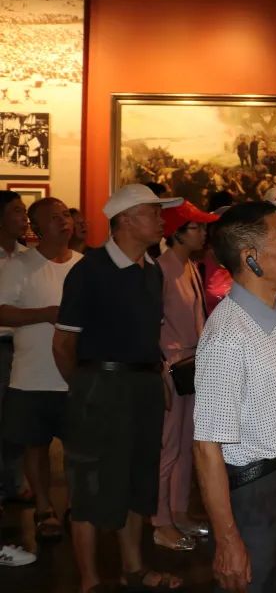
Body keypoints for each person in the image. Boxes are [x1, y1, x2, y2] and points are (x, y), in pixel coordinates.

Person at [53, 183, 185, 593]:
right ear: (125, 219)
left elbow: (147, 336)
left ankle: (134, 568)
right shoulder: (89, 271)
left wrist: (156, 377)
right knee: (90, 483)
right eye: (153, 212)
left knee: (138, 480)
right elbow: (63, 343)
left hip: (142, 386)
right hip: (101, 385)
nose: (161, 220)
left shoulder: (152, 271)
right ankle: (90, 580)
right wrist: (86, 387)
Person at [193, 201, 276, 593]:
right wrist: (227, 540)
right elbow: (207, 447)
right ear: (250, 258)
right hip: (256, 491)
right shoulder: (228, 336)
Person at [0, 198, 81, 542]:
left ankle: (77, 507)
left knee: (78, 448)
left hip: (75, 374)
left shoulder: (83, 265)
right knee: (35, 446)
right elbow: (2, 312)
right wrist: (46, 313)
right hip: (32, 374)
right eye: (53, 218)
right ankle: (44, 508)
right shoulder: (19, 265)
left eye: (65, 215)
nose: (63, 222)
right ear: (36, 228)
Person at [153, 201, 219, 552]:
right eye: (196, 227)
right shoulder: (161, 269)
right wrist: (160, 369)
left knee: (186, 444)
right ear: (176, 232)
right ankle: (160, 520)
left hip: (192, 365)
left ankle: (178, 511)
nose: (203, 233)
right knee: (168, 446)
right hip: (171, 366)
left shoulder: (190, 265)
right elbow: (152, 326)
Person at [0, 190, 28, 505]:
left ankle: (15, 483)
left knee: (16, 419)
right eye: (17, 211)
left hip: (23, 345)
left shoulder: (27, 257)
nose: (24, 218)